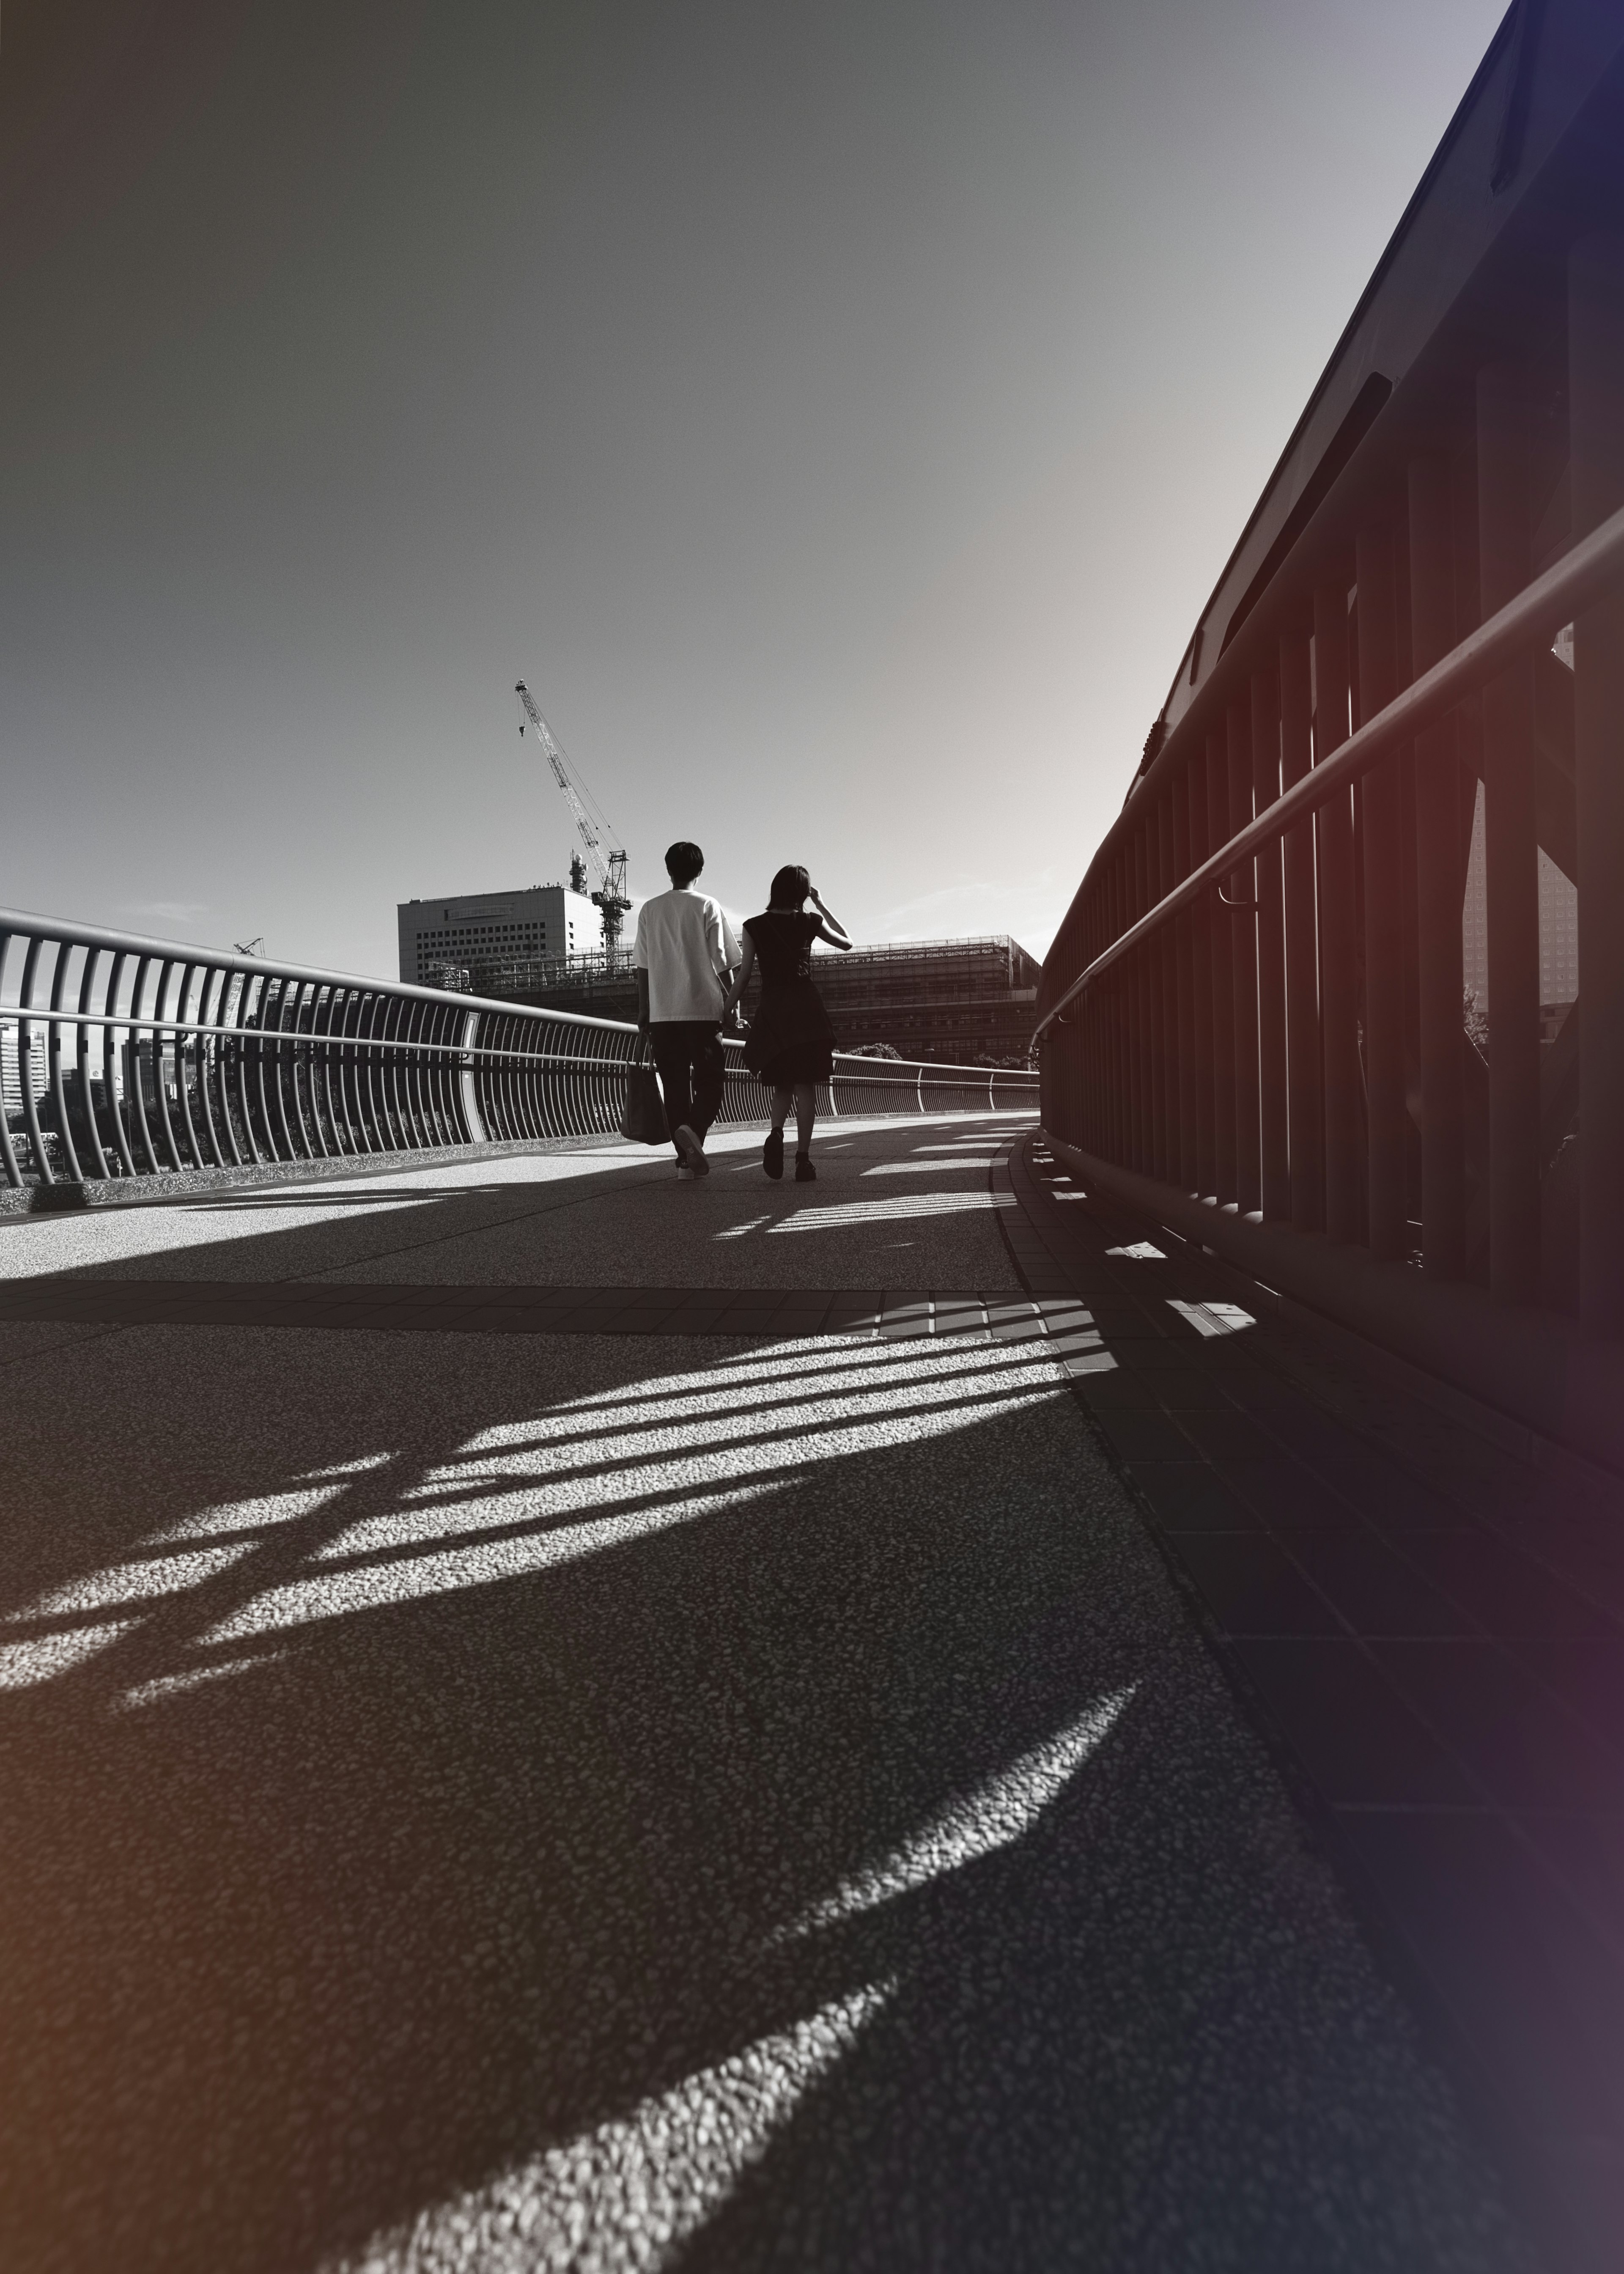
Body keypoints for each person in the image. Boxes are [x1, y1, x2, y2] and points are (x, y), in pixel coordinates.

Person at [726, 865, 851, 1181]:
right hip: (806, 1010)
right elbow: (848, 943)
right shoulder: (810, 921)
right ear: (802, 892)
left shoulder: (754, 926)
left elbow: (744, 977)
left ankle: (777, 1133)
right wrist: (821, 904)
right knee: (805, 1086)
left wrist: (726, 1010)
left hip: (774, 1012)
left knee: (783, 1082)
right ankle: (803, 1161)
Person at [634, 841, 741, 1178]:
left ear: (669, 870)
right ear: (700, 871)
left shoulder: (650, 909)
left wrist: (644, 1010)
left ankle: (684, 1163)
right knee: (711, 1082)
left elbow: (643, 967)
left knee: (675, 1085)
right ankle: (694, 1132)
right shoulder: (708, 905)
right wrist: (732, 1006)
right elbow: (724, 962)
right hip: (703, 1011)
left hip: (663, 1013)